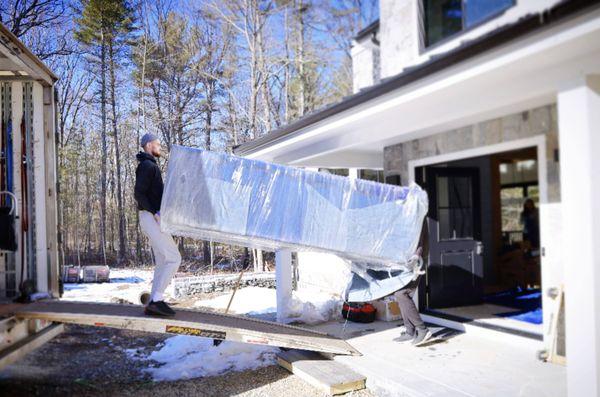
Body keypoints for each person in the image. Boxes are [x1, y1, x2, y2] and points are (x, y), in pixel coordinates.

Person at [135, 133, 181, 317]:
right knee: (174, 258)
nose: (159, 147)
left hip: (149, 217)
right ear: (148, 145)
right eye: (157, 144)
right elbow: (139, 194)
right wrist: (154, 213)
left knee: (163, 260)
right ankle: (157, 300)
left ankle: (154, 301)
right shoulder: (147, 166)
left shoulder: (150, 165)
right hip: (150, 217)